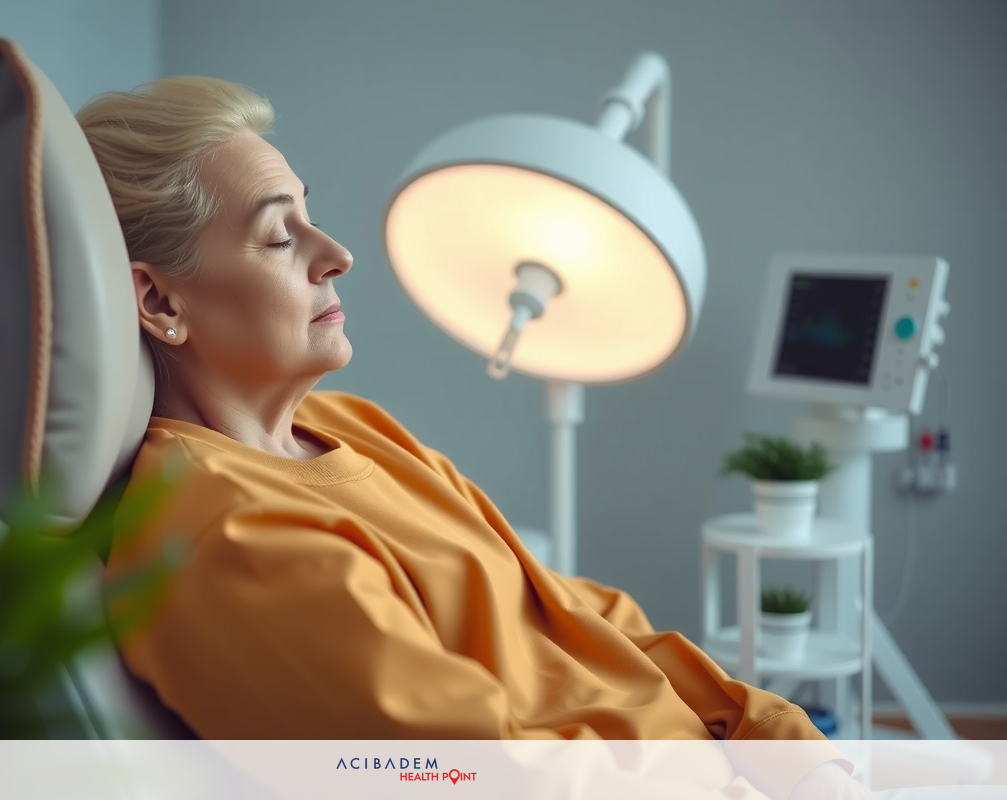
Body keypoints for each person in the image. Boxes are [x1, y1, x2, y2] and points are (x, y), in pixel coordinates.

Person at [77, 77, 869, 800]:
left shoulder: (352, 427)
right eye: (281, 237)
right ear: (158, 300)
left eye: (309, 218)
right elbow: (464, 770)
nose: (338, 256)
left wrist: (788, 748)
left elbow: (584, 621)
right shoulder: (227, 539)